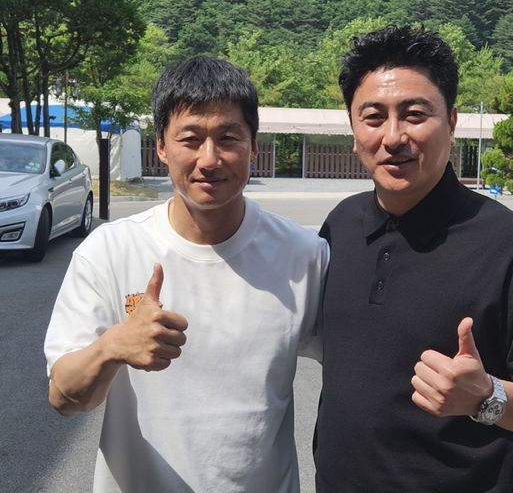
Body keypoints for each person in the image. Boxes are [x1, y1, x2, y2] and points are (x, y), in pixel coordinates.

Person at [313, 25, 513, 492]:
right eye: (373, 117)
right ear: (354, 131)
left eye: (415, 114)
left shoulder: (511, 245)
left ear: (452, 122)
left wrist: (486, 397)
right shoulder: (340, 224)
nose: (393, 136)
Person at [44, 56, 328, 492]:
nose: (209, 159)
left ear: (254, 146)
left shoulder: (303, 254)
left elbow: (364, 369)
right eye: (191, 139)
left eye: (228, 138)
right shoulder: (109, 251)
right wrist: (112, 347)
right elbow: (64, 397)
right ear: (161, 146)